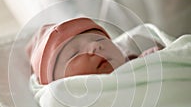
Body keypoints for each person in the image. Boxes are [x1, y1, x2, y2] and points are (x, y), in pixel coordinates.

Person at [26, 17, 163, 85]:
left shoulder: (137, 61)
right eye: (75, 53)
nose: (95, 47)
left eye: (99, 40)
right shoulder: (69, 102)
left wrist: (155, 59)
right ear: (57, 83)